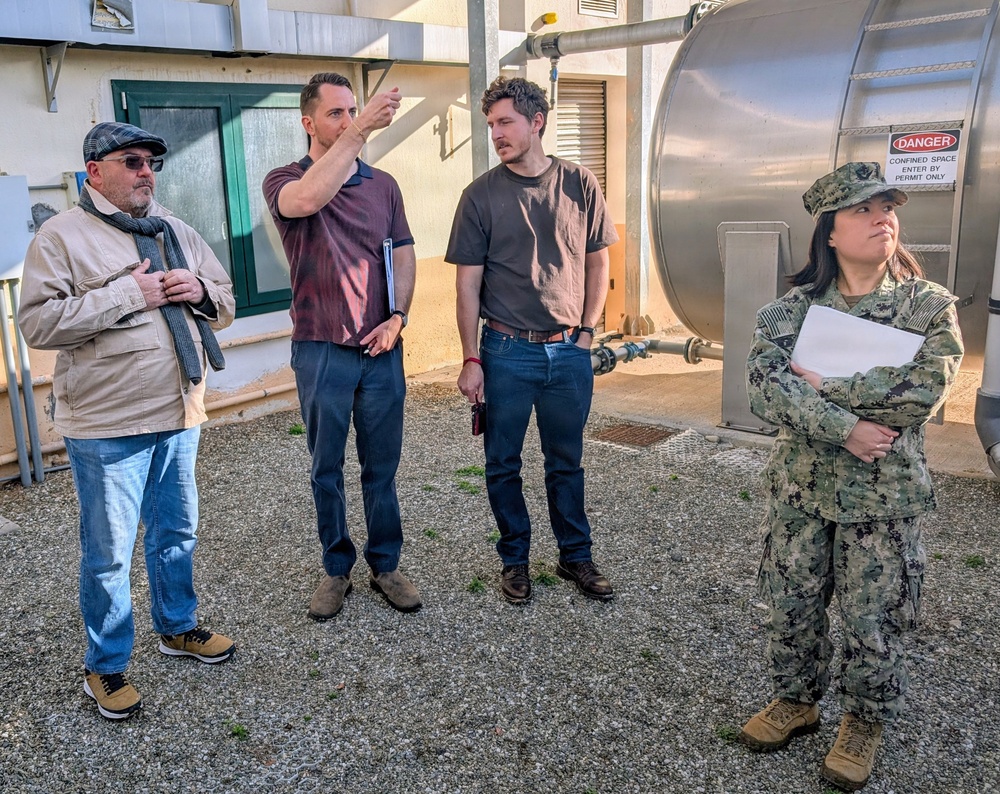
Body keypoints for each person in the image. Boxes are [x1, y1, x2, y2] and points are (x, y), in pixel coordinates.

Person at [739, 162, 964, 791]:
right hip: (802, 490)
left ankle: (864, 720)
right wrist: (848, 427)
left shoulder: (928, 308)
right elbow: (765, 390)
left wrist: (827, 387)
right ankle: (797, 700)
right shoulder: (789, 313)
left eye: (887, 208)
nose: (881, 219)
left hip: (883, 497)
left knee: (875, 616)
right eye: (863, 210)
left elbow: (923, 391)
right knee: (793, 604)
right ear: (829, 233)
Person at [18, 122, 237, 721]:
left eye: (152, 164)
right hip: (107, 423)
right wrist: (130, 295)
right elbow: (38, 324)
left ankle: (178, 627)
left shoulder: (175, 228)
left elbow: (225, 296)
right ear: (95, 171)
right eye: (133, 161)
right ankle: (106, 666)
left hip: (179, 411)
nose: (147, 172)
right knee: (110, 551)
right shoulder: (61, 237)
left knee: (176, 531)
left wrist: (197, 289)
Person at [445, 76, 619, 605]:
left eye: (505, 122)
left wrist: (587, 333)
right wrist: (471, 357)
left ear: (536, 121)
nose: (496, 133)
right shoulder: (480, 196)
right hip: (505, 352)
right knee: (502, 463)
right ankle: (515, 560)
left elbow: (597, 261)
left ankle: (575, 557)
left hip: (569, 351)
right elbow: (467, 283)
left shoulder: (580, 183)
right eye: (491, 124)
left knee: (566, 460)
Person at [262, 72, 420, 619]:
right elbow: (307, 199)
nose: (350, 122)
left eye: (354, 111)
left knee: (382, 466)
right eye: (336, 113)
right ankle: (336, 570)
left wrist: (398, 317)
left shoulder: (384, 186)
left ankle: (386, 564)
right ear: (308, 122)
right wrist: (361, 131)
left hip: (380, 349)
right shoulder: (284, 179)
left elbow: (402, 253)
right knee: (325, 466)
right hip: (320, 347)